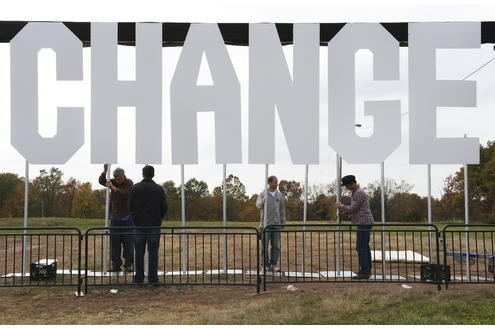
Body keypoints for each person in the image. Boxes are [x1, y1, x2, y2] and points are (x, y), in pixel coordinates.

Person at [128, 165, 168, 285]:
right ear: (153, 174)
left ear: (142, 173)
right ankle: (153, 279)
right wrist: (158, 218)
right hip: (154, 225)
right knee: (153, 254)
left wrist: (136, 218)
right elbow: (164, 207)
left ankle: (138, 279)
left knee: (139, 253)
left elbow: (130, 206)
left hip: (139, 225)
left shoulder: (135, 188)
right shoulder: (159, 189)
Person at [336, 175, 374, 279]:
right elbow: (356, 211)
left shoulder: (359, 193)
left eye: (346, 185)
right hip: (363, 222)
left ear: (351, 183)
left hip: (364, 223)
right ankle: (366, 270)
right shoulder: (356, 192)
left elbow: (353, 208)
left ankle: (365, 271)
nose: (346, 188)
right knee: (364, 246)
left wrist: (341, 206)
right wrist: (345, 214)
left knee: (361, 247)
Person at [99, 164, 134, 272]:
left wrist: (113, 188)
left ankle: (128, 265)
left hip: (127, 219)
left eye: (119, 179)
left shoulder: (129, 183)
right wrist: (105, 171)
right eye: (116, 179)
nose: (118, 181)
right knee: (114, 244)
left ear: (123, 177)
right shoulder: (112, 181)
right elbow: (101, 181)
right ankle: (116, 265)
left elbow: (126, 194)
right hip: (114, 219)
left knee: (128, 243)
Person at [256, 175, 286, 272]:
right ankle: (264, 264)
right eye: (275, 182)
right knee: (264, 246)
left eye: (277, 182)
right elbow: (257, 205)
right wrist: (262, 201)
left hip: (276, 224)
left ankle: (274, 264)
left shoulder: (279, 195)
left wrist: (283, 222)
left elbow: (282, 209)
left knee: (275, 246)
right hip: (265, 225)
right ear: (269, 183)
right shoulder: (262, 194)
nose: (276, 184)